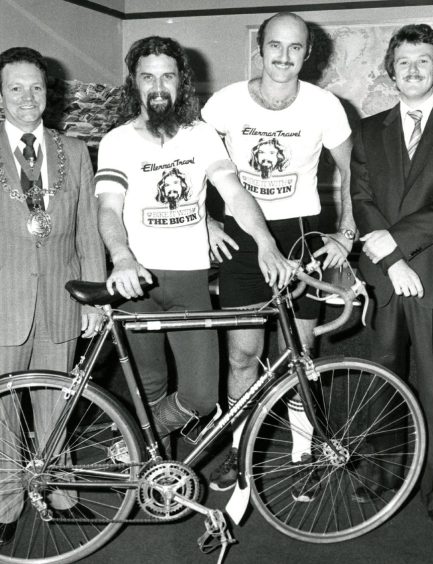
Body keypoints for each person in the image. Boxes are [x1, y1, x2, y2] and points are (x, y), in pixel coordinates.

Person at [94, 35, 292, 456]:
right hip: (138, 283)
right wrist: (122, 257)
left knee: (202, 397)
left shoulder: (200, 135)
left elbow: (235, 192)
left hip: (189, 282)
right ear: (134, 82)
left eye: (168, 76)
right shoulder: (117, 141)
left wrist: (265, 242)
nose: (158, 86)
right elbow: (109, 209)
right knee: (149, 385)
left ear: (181, 82)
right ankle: (152, 475)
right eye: (148, 77)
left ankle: (131, 447)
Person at [0, 46, 106, 543]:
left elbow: (87, 232)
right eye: (15, 88)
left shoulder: (74, 150)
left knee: (56, 406)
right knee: (2, 412)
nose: (27, 98)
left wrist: (96, 301)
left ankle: (60, 493)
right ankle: (6, 506)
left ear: (48, 93)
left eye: (36, 87)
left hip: (62, 302)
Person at [201, 12, 356, 499]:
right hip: (243, 236)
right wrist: (205, 221)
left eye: (295, 48)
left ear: (308, 53)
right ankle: (238, 447)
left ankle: (304, 453)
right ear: (260, 48)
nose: (284, 57)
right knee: (243, 354)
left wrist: (346, 234)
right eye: (275, 46)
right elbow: (187, 162)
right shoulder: (224, 103)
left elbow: (356, 172)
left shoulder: (325, 105)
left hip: (300, 235)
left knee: (300, 353)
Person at [350, 24, 433, 527]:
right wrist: (392, 260)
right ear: (392, 69)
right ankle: (381, 475)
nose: (412, 69)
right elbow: (362, 202)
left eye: (423, 61)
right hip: (389, 275)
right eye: (404, 61)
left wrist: (397, 243)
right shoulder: (368, 130)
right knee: (382, 379)